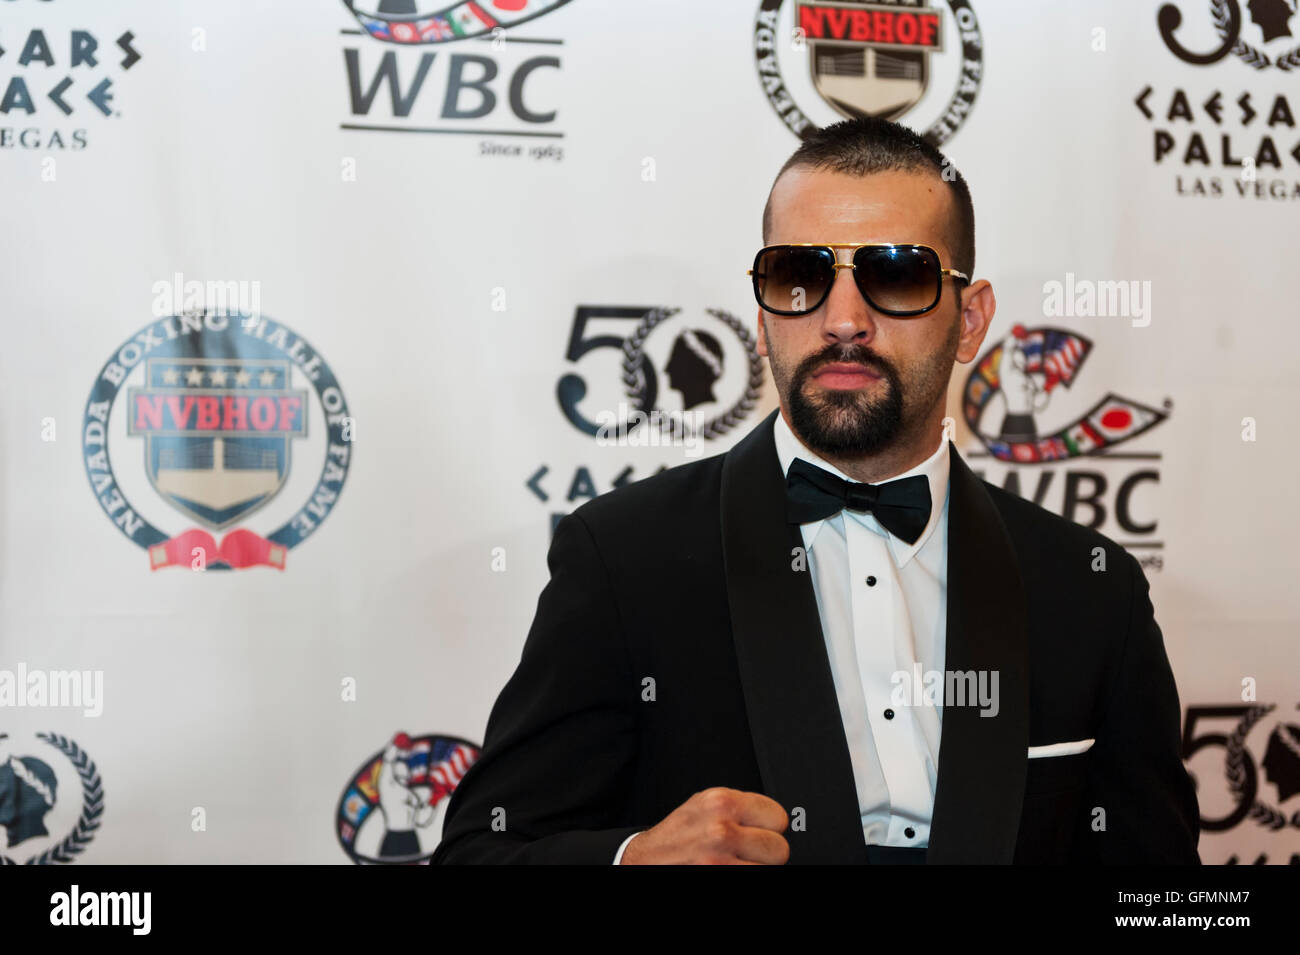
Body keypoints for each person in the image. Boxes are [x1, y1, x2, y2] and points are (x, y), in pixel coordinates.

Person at [430, 117, 1201, 865]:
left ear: (970, 322)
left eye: (895, 273)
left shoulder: (1089, 589)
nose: (841, 319)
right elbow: (479, 849)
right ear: (762, 313)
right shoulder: (626, 560)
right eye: (799, 275)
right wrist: (632, 860)